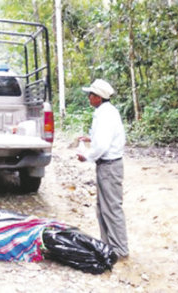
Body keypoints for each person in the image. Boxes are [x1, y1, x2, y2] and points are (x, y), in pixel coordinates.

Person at [76, 79, 129, 259]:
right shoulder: (106, 112)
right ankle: (108, 246)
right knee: (103, 208)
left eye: (91, 95)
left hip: (109, 166)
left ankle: (120, 249)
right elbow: (103, 138)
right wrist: (90, 139)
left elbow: (103, 146)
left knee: (112, 208)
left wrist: (87, 156)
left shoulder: (105, 115)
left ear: (98, 97)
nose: (88, 98)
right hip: (107, 166)